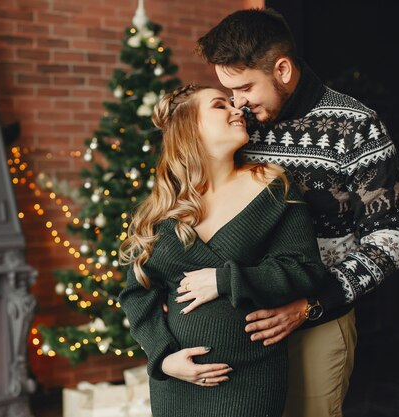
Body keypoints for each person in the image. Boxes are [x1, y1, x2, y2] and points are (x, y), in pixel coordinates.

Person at [183, 8, 399, 417]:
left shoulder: (358, 127)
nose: (238, 103)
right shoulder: (238, 124)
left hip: (317, 320)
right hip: (238, 319)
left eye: (246, 87)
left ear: (283, 69)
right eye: (229, 92)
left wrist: (310, 304)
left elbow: (391, 240)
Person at [118, 84, 329, 417]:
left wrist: (225, 280)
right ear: (190, 128)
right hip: (177, 386)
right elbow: (136, 294)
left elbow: (306, 269)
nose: (237, 110)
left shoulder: (272, 187)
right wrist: (164, 358)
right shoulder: (162, 209)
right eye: (220, 106)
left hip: (250, 377)